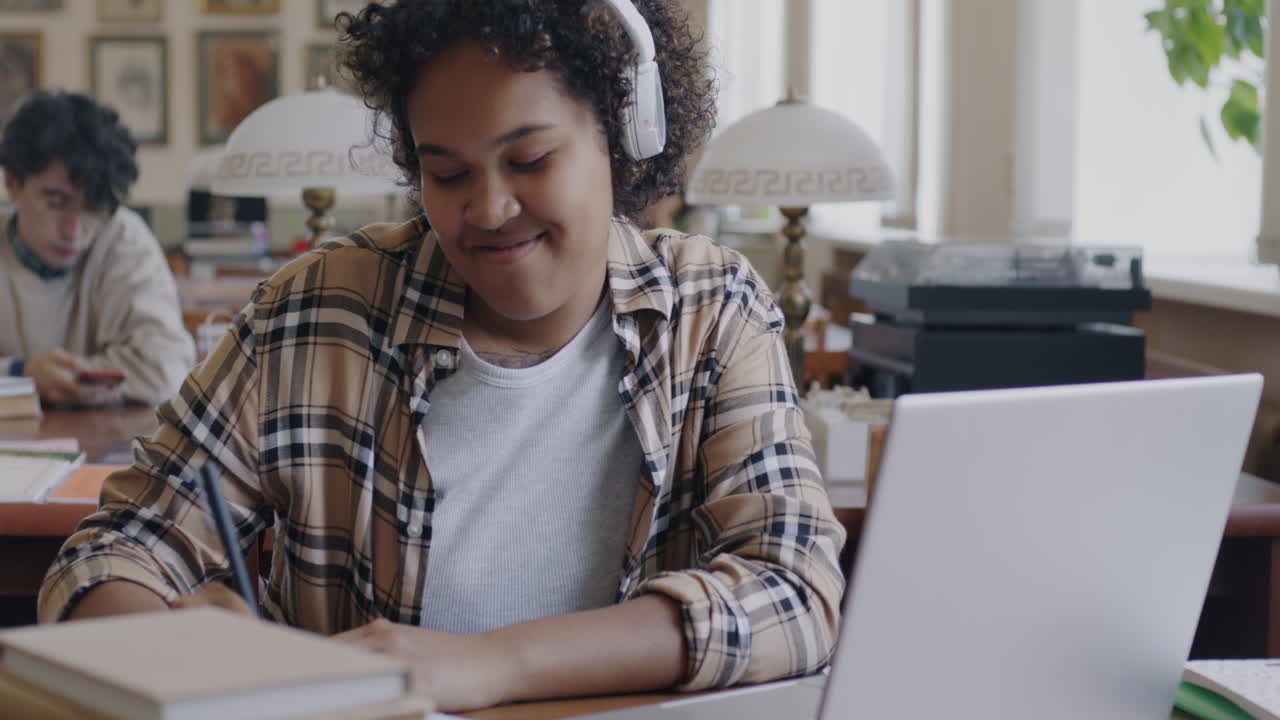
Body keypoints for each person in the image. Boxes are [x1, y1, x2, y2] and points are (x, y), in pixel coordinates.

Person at [38, 0, 847, 712]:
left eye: (530, 160)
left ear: (625, 137)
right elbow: (107, 555)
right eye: (446, 172)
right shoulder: (317, 314)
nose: (489, 209)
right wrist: (198, 665)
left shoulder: (711, 312)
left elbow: (795, 590)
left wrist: (494, 665)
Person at [0, 90, 195, 407]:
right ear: (12, 183)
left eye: (92, 207)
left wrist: (43, 382)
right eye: (55, 202)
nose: (73, 231)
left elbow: (164, 369)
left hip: (107, 445)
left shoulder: (124, 240)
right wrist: (24, 373)